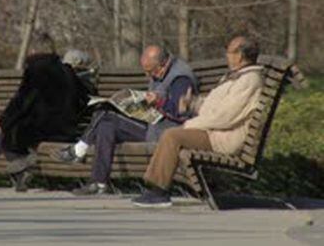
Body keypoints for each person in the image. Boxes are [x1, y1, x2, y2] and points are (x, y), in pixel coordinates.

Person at [132, 35, 263, 208]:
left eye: (230, 52)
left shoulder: (249, 80)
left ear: (240, 55)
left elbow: (225, 117)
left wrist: (191, 124)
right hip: (215, 132)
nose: (227, 55)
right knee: (172, 134)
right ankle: (155, 189)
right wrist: (193, 104)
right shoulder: (236, 76)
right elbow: (216, 107)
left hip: (224, 138)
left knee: (173, 135)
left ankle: (158, 192)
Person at [57, 45, 198, 195]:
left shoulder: (180, 79)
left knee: (106, 114)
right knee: (106, 125)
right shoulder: (161, 72)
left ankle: (79, 149)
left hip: (164, 132)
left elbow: (181, 112)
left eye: (150, 71)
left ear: (163, 64)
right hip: (152, 124)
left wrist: (159, 102)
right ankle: (98, 183)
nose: (148, 75)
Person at [0, 52, 93, 191]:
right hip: (68, 129)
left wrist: (3, 121)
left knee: (4, 135)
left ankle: (22, 167)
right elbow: (84, 101)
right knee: (16, 132)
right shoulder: (68, 72)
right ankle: (22, 168)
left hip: (41, 130)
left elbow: (22, 103)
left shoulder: (36, 73)